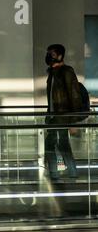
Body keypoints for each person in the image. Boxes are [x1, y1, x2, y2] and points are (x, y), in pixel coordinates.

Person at [44, 44, 83, 180]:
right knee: (57, 144)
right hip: (53, 116)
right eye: (49, 54)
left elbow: (74, 96)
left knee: (57, 144)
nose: (49, 57)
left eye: (52, 54)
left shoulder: (67, 72)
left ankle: (61, 173)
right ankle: (63, 173)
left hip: (63, 116)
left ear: (60, 56)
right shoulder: (52, 73)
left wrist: (74, 122)